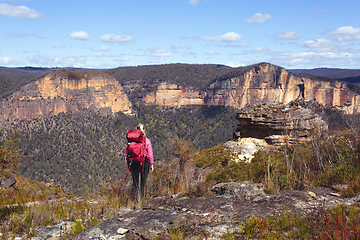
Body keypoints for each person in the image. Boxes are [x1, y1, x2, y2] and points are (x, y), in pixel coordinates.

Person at [128, 123, 154, 199]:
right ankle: (143, 200)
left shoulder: (132, 140)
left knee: (135, 183)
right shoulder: (147, 141)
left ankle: (134, 200)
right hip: (144, 162)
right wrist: (152, 164)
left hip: (133, 162)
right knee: (143, 183)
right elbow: (150, 153)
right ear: (144, 130)